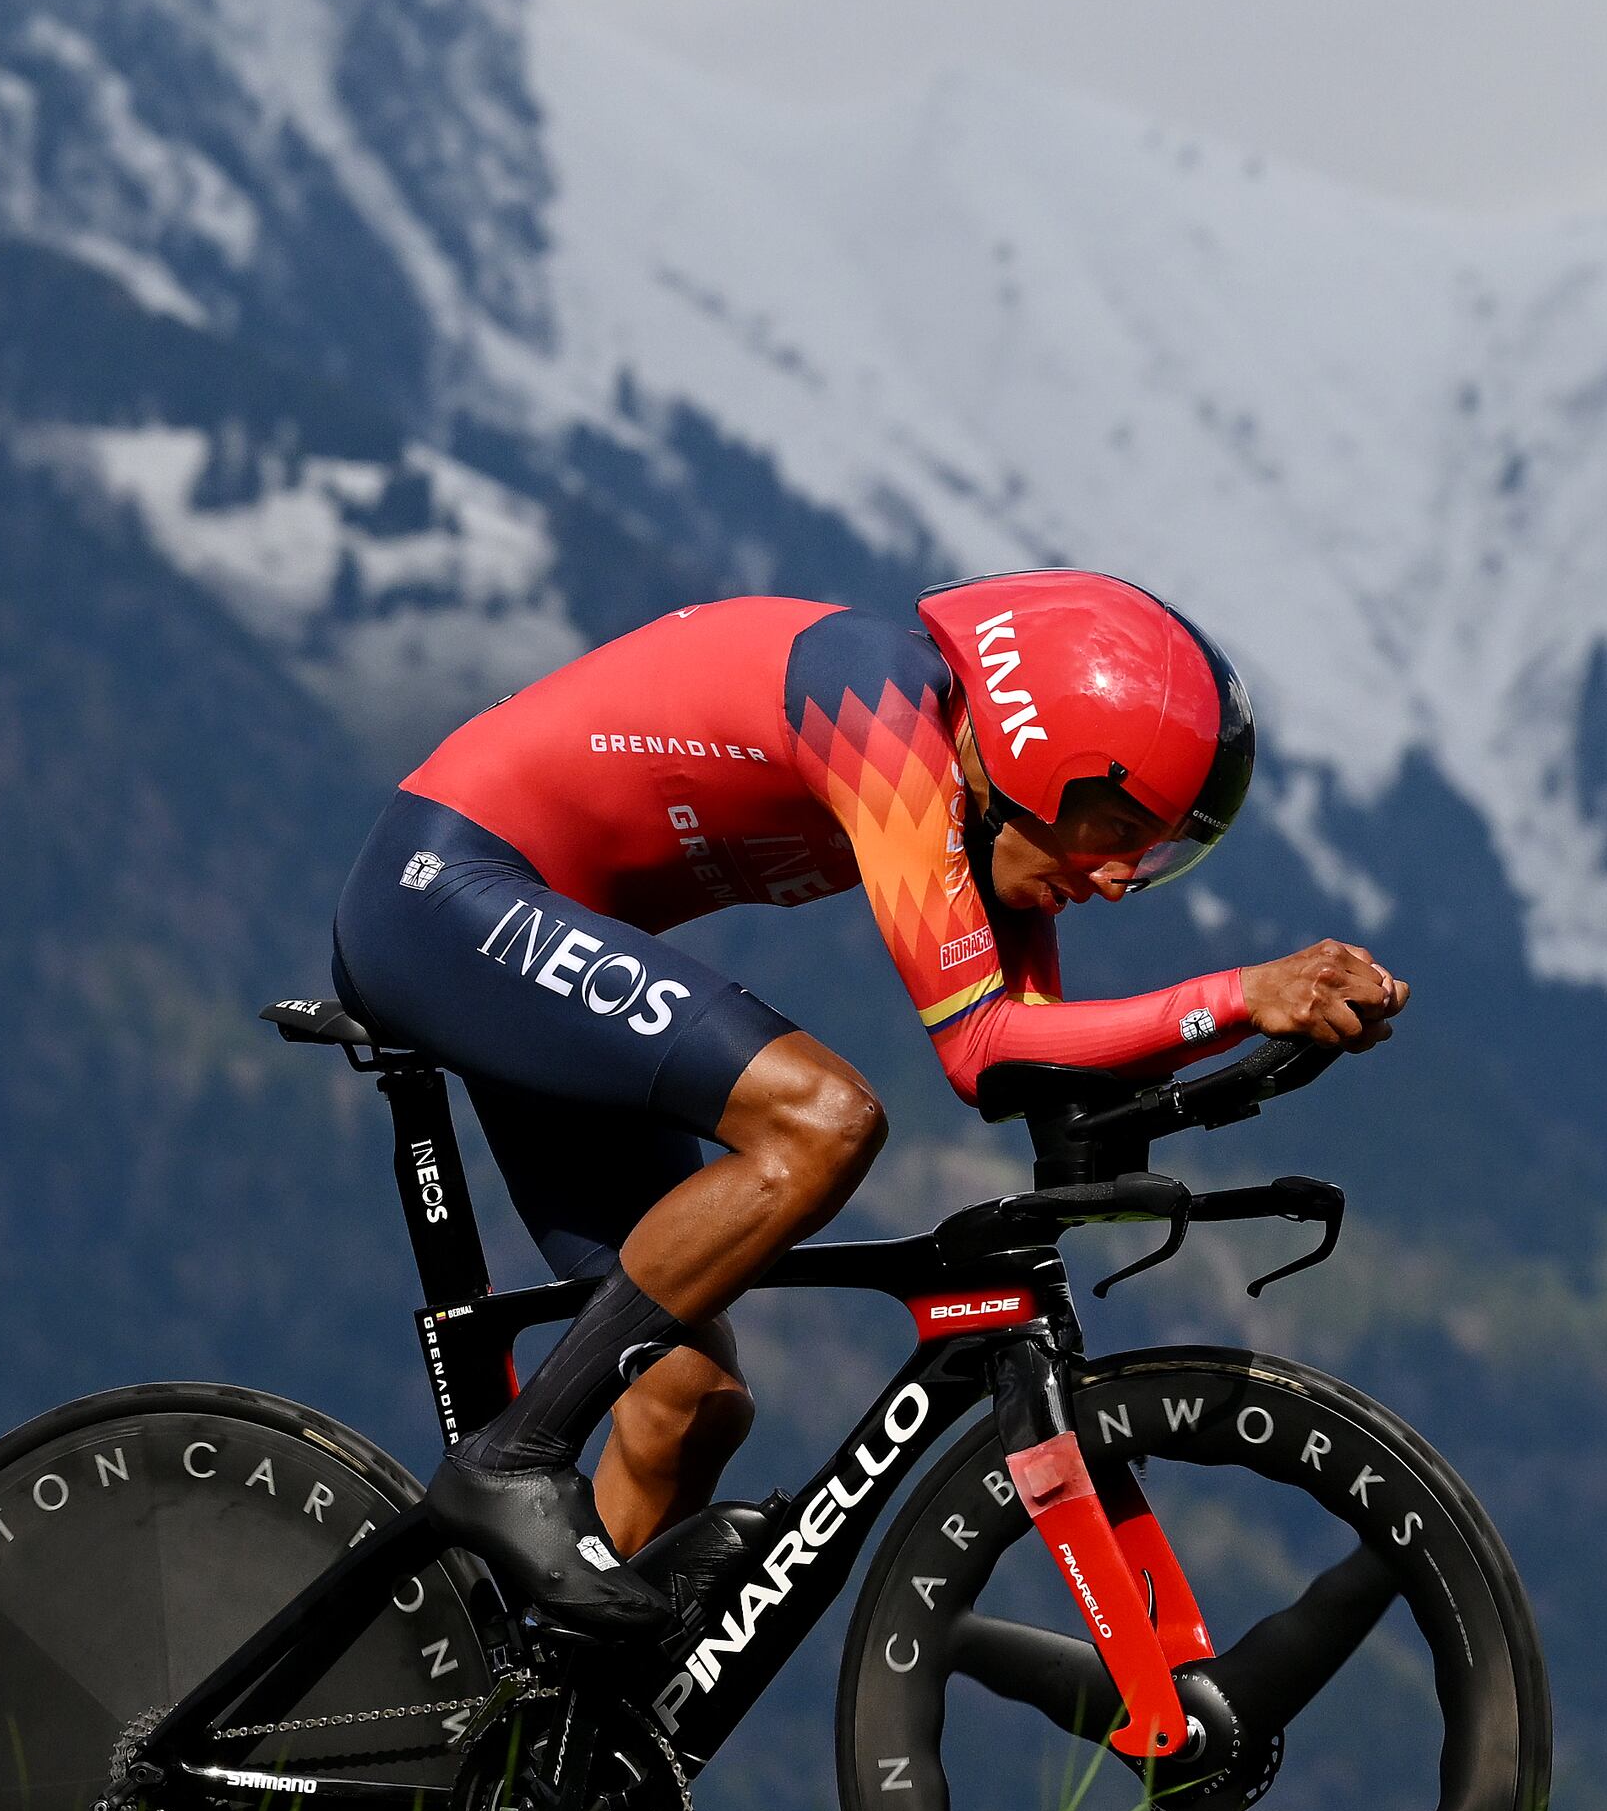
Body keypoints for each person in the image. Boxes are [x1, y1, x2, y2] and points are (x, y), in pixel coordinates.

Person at [331, 570, 1411, 1629]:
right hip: (441, 895)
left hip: (533, 937)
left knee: (684, 1410)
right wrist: (1241, 993)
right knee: (819, 1119)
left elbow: (1040, 1070)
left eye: (1161, 851)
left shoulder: (988, 811)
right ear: (1039, 754)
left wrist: (1264, 1056)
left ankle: (526, 1746)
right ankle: (510, 1459)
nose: (1125, 877)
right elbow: (980, 1049)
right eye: (1118, 826)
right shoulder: (872, 704)